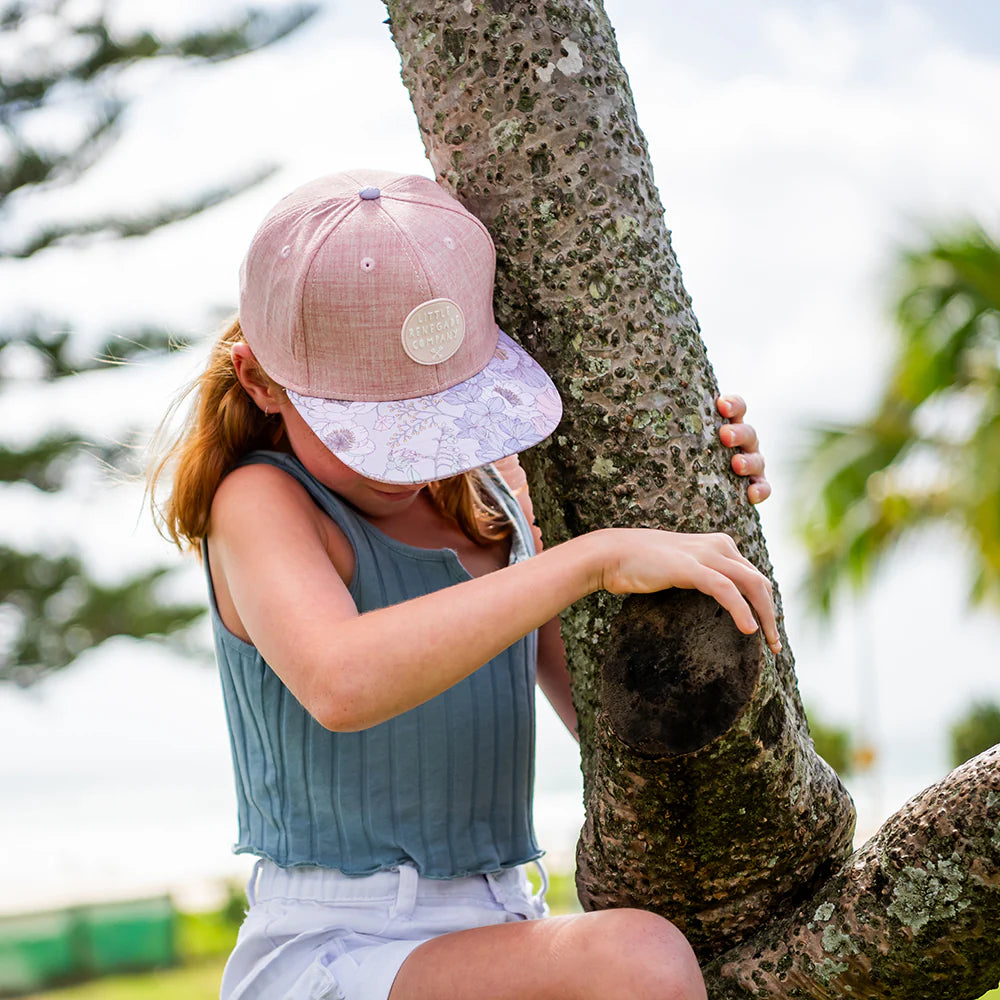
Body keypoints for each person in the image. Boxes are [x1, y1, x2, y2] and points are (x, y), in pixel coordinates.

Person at [149, 169, 779, 1000]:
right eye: (369, 426)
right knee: (638, 960)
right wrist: (586, 560)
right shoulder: (262, 502)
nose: (404, 458)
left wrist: (697, 485)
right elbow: (341, 680)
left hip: (501, 927)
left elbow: (603, 719)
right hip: (335, 945)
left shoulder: (497, 506)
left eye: (426, 413)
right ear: (261, 383)